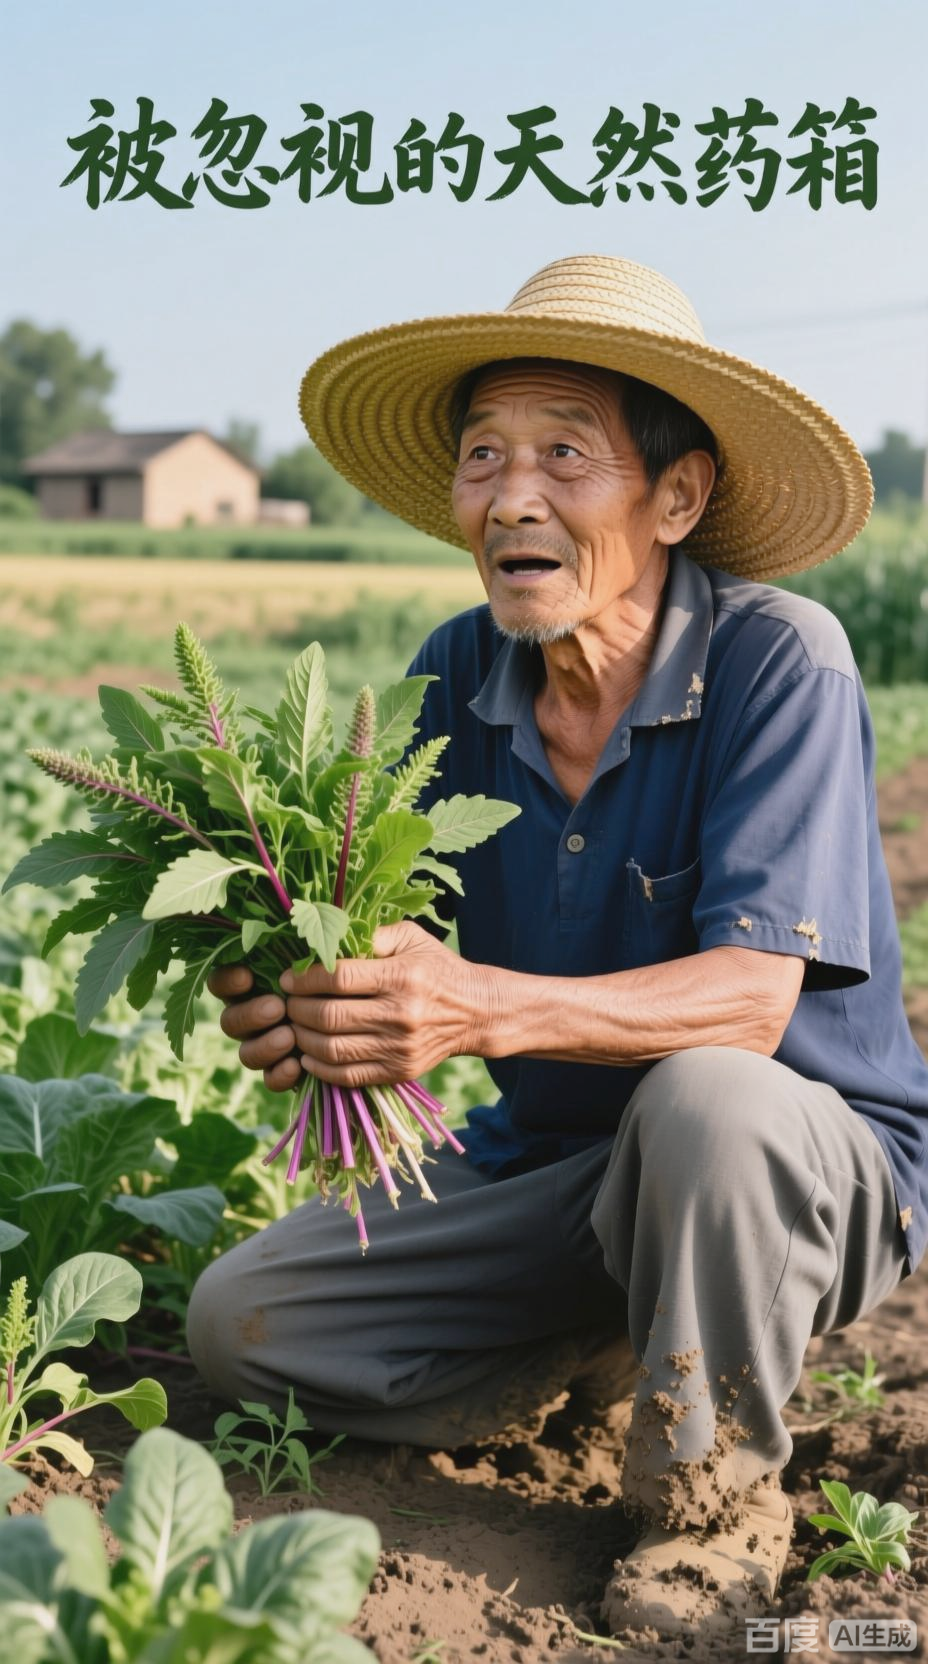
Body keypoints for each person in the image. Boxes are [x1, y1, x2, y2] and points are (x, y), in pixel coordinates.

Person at [187, 255, 927, 1641]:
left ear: (678, 496)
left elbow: (754, 1002)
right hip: (562, 1177)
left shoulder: (781, 660)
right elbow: (398, 939)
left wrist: (467, 1009)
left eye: (566, 456)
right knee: (245, 1325)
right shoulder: (451, 676)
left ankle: (711, 1509)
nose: (511, 496)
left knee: (707, 1095)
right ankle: (609, 1341)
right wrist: (314, 997)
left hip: (795, 1172)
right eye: (484, 456)